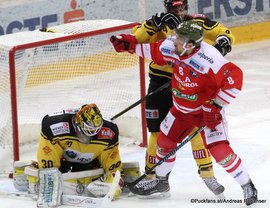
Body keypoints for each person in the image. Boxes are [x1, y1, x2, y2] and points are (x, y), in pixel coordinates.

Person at [109, 20, 258, 205]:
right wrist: (129, 44)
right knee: (164, 142)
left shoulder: (210, 58)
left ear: (190, 45)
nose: (174, 40)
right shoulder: (173, 46)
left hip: (206, 113)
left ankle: (247, 185)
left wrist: (217, 105)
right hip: (180, 110)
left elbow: (235, 79)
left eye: (179, 39)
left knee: (220, 151)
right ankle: (161, 182)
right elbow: (154, 51)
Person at [130, 0, 234, 196]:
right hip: (161, 84)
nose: (179, 11)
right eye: (174, 8)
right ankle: (153, 179)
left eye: (182, 7)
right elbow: (135, 39)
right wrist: (153, 22)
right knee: (158, 133)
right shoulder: (157, 23)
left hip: (189, 85)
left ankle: (208, 176)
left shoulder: (196, 23)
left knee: (196, 131)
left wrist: (223, 41)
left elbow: (225, 32)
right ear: (168, 8)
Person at [13, 103, 140, 201]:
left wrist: (115, 178)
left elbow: (111, 161)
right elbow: (47, 152)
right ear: (77, 122)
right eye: (87, 130)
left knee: (103, 172)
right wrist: (49, 174)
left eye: (93, 132)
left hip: (90, 161)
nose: (88, 136)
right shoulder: (55, 126)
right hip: (63, 160)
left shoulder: (109, 132)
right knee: (50, 174)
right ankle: (28, 171)